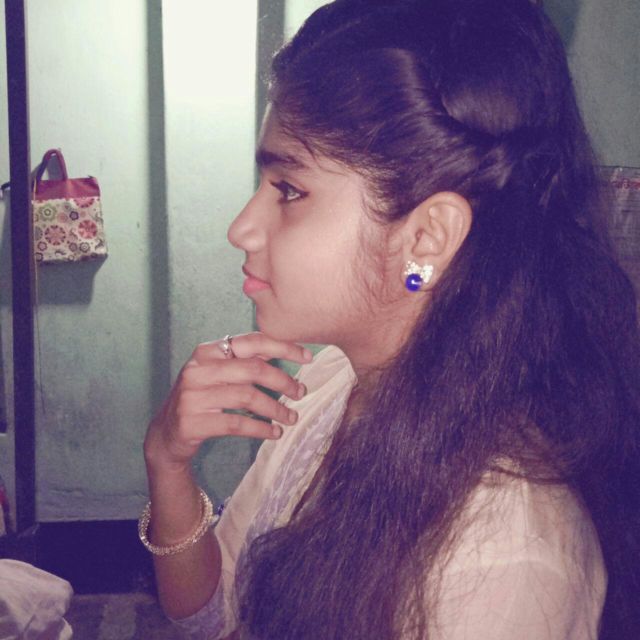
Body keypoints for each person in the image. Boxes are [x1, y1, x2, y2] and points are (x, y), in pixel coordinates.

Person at [141, 0, 640, 638]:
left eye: (289, 191)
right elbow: (214, 616)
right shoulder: (331, 381)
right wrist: (167, 461)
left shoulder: (505, 562)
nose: (241, 228)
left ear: (427, 237)